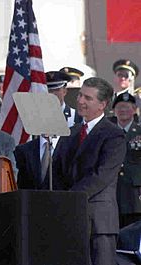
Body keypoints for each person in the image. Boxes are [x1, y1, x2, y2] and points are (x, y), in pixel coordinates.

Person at [53, 77, 126, 265]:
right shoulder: (71, 132)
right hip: (70, 219)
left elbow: (102, 176)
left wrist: (71, 198)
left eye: (88, 98)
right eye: (79, 95)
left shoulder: (113, 135)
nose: (80, 101)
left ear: (102, 104)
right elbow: (58, 171)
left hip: (98, 222)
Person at [112, 93, 141, 228]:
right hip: (113, 191)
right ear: (114, 110)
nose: (123, 110)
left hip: (135, 195)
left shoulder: (139, 132)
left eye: (127, 107)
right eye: (120, 107)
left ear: (134, 109)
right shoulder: (108, 132)